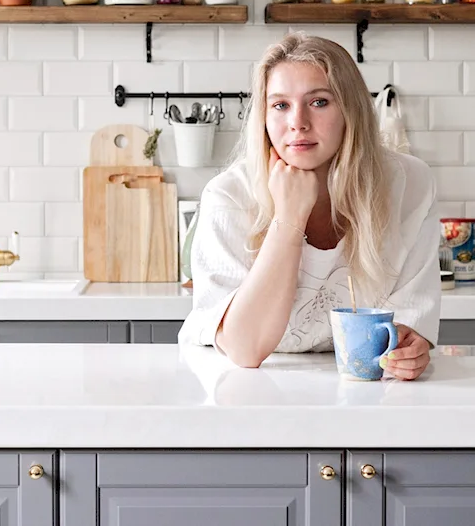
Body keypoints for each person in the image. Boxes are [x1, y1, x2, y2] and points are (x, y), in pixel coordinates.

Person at [177, 32, 441, 380]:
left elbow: (407, 327)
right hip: (240, 387)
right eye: (280, 105)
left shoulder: (410, 185)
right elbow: (244, 349)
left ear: (351, 109)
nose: (297, 122)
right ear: (264, 116)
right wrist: (288, 217)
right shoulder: (228, 197)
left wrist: (410, 351)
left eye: (318, 102)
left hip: (359, 393)